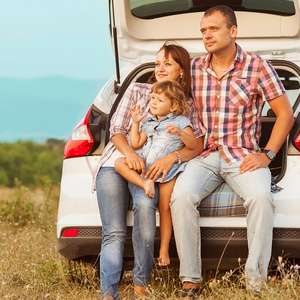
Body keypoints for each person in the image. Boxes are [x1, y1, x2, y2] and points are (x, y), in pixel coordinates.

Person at [170, 5, 294, 298]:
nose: (207, 35)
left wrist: (267, 155)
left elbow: (285, 115)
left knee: (262, 198)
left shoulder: (257, 66)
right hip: (205, 156)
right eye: (203, 30)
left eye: (213, 28)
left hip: (243, 155)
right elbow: (166, 93)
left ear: (233, 31)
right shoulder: (195, 69)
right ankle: (190, 281)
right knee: (182, 197)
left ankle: (255, 283)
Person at [92, 42, 205, 300]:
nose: (160, 68)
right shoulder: (137, 89)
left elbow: (196, 145)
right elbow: (116, 131)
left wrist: (172, 158)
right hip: (117, 162)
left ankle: (141, 285)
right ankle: (108, 293)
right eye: (157, 63)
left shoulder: (186, 105)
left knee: (145, 206)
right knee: (114, 231)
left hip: (147, 172)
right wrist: (130, 153)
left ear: (182, 71)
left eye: (168, 63)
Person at [115, 80, 198, 267]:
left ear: (173, 105)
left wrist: (180, 133)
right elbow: (135, 143)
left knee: (165, 209)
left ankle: (164, 249)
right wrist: (136, 123)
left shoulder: (181, 121)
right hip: (147, 165)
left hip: (168, 171)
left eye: (159, 100)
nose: (152, 102)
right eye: (152, 98)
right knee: (120, 162)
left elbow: (193, 144)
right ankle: (144, 183)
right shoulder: (149, 121)